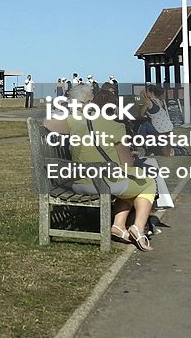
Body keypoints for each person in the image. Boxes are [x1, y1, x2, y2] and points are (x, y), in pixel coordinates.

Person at [45, 83, 156, 251]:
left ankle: (119, 226)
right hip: (101, 183)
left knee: (129, 183)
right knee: (146, 182)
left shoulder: (73, 121)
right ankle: (137, 228)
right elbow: (127, 165)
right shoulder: (115, 126)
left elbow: (47, 123)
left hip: (77, 182)